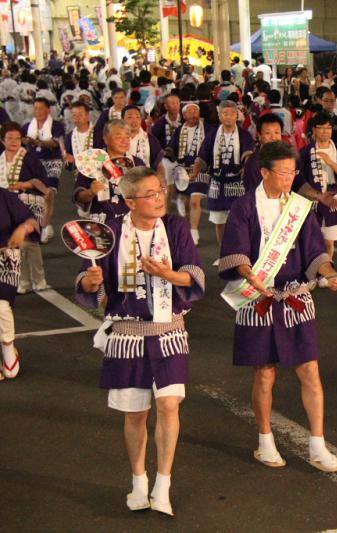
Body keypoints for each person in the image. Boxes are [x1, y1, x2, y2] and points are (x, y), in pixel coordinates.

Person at [76, 167, 205, 516]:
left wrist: (165, 273)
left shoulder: (175, 228)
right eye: (150, 193)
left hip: (168, 330)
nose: (159, 197)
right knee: (136, 415)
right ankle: (138, 481)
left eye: (160, 190)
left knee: (168, 406)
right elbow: (92, 289)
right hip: (128, 334)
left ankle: (163, 483)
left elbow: (193, 275)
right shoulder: (112, 232)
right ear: (130, 201)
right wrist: (91, 281)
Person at [218, 141, 337, 473]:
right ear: (264, 172)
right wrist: (250, 274)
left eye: (293, 171)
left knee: (310, 371)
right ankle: (265, 441)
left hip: (294, 295)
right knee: (264, 373)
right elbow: (236, 254)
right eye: (284, 172)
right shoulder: (244, 207)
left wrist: (330, 274)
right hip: (256, 296)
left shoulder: (300, 208)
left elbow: (316, 252)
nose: (290, 178)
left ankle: (318, 445)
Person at [191, 100, 255, 253]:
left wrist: (247, 166)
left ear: (236, 115)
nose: (228, 117)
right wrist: (195, 171)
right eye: (225, 113)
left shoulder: (244, 134)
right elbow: (202, 156)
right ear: (219, 116)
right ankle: (223, 253)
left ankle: (240, 251)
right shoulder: (213, 135)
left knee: (239, 220)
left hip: (237, 183)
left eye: (232, 113)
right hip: (217, 182)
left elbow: (248, 153)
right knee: (219, 221)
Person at [0, 122, 50, 294]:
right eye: (9, 138)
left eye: (17, 138)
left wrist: (25, 184)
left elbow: (43, 181)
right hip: (6, 204)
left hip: (28, 202)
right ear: (3, 140)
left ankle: (39, 278)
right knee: (13, 243)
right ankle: (22, 280)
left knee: (31, 243)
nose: (14, 142)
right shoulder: (0, 158)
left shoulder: (29, 158)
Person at [296, 112, 337, 258]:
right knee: (311, 239)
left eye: (329, 128)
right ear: (314, 130)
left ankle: (326, 271)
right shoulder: (306, 152)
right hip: (313, 199)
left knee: (329, 242)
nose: (326, 131)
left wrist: (330, 162)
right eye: (321, 128)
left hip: (332, 197)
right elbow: (299, 176)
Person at [74, 120, 146, 223]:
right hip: (102, 222)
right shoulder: (93, 161)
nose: (125, 141)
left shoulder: (137, 163)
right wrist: (90, 192)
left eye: (127, 137)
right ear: (106, 139)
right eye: (119, 137)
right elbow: (78, 196)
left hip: (131, 222)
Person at [0, 188, 39, 380]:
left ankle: (7, 344)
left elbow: (31, 220)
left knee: (0, 305)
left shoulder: (5, 196)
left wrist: (23, 229)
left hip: (4, 258)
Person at [164, 102, 215, 245]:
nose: (193, 114)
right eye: (189, 112)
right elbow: (171, 148)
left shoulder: (208, 129)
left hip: (201, 169)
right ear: (184, 115)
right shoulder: (180, 130)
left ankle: (194, 230)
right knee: (186, 202)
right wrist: (168, 156)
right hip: (183, 170)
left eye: (195, 111)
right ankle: (186, 228)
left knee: (194, 201)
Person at [22, 97, 65, 243]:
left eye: (41, 108)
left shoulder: (57, 125)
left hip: (53, 162)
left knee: (49, 193)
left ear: (48, 109)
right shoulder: (28, 126)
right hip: (34, 163)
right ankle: (41, 224)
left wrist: (36, 142)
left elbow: (55, 142)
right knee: (35, 195)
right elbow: (19, 140)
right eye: (35, 108)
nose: (38, 111)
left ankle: (45, 227)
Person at [243, 113, 285, 194]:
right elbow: (253, 193)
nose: (273, 137)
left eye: (276, 133)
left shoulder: (284, 157)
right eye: (268, 133)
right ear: (259, 135)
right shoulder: (254, 161)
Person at [123, 105, 165, 176]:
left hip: (145, 179)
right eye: (129, 117)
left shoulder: (150, 139)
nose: (134, 120)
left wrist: (161, 177)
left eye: (137, 117)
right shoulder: (117, 140)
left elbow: (159, 164)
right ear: (122, 120)